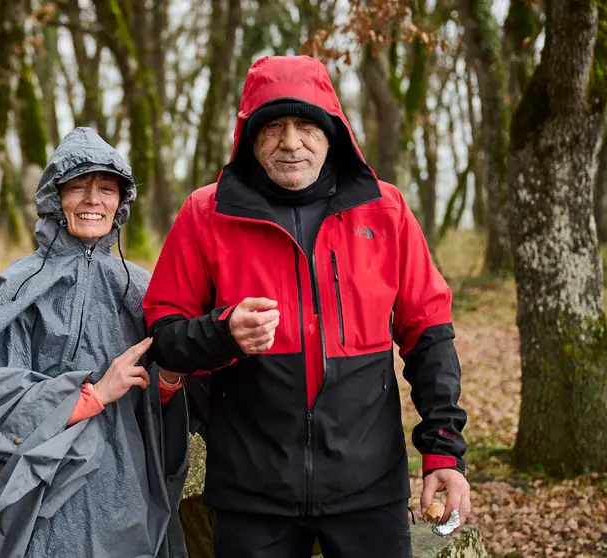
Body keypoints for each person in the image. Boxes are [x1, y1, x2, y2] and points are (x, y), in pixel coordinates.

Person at [143, 55, 470, 558]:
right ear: (249, 138)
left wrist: (442, 448)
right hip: (251, 496)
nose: (291, 142)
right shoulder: (205, 215)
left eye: (305, 126)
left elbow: (429, 333)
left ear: (333, 132)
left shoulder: (385, 211)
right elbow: (164, 334)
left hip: (369, 490)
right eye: (273, 126)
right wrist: (224, 334)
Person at [0, 127, 190, 558]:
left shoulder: (140, 288)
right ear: (56, 198)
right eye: (79, 186)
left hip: (125, 483)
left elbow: (161, 393)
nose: (94, 200)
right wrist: (91, 396)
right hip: (38, 487)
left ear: (121, 202)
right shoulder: (19, 286)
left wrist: (168, 381)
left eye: (107, 188)